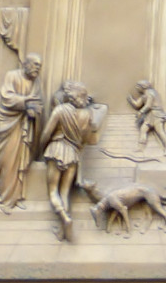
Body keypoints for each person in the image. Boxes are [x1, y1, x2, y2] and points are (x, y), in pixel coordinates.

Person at [41, 80, 106, 240]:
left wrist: (42, 149)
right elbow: (86, 138)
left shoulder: (60, 110)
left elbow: (46, 134)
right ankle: (64, 230)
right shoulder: (87, 114)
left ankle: (64, 217)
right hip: (73, 154)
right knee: (65, 192)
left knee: (53, 191)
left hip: (56, 149)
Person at [0, 53, 43, 211]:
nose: (37, 69)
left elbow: (38, 101)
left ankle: (18, 196)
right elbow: (7, 97)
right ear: (25, 64)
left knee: (22, 161)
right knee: (7, 161)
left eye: (39, 66)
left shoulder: (35, 81)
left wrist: (34, 111)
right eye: (35, 65)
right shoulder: (12, 76)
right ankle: (6, 199)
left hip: (24, 125)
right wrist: (27, 103)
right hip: (8, 125)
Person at [129, 78, 166, 154]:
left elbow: (148, 105)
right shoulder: (144, 95)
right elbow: (137, 104)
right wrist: (130, 99)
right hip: (149, 116)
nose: (136, 88)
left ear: (143, 87)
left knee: (160, 131)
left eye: (138, 86)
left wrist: (141, 112)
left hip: (156, 115)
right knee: (143, 130)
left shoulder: (150, 93)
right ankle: (140, 148)